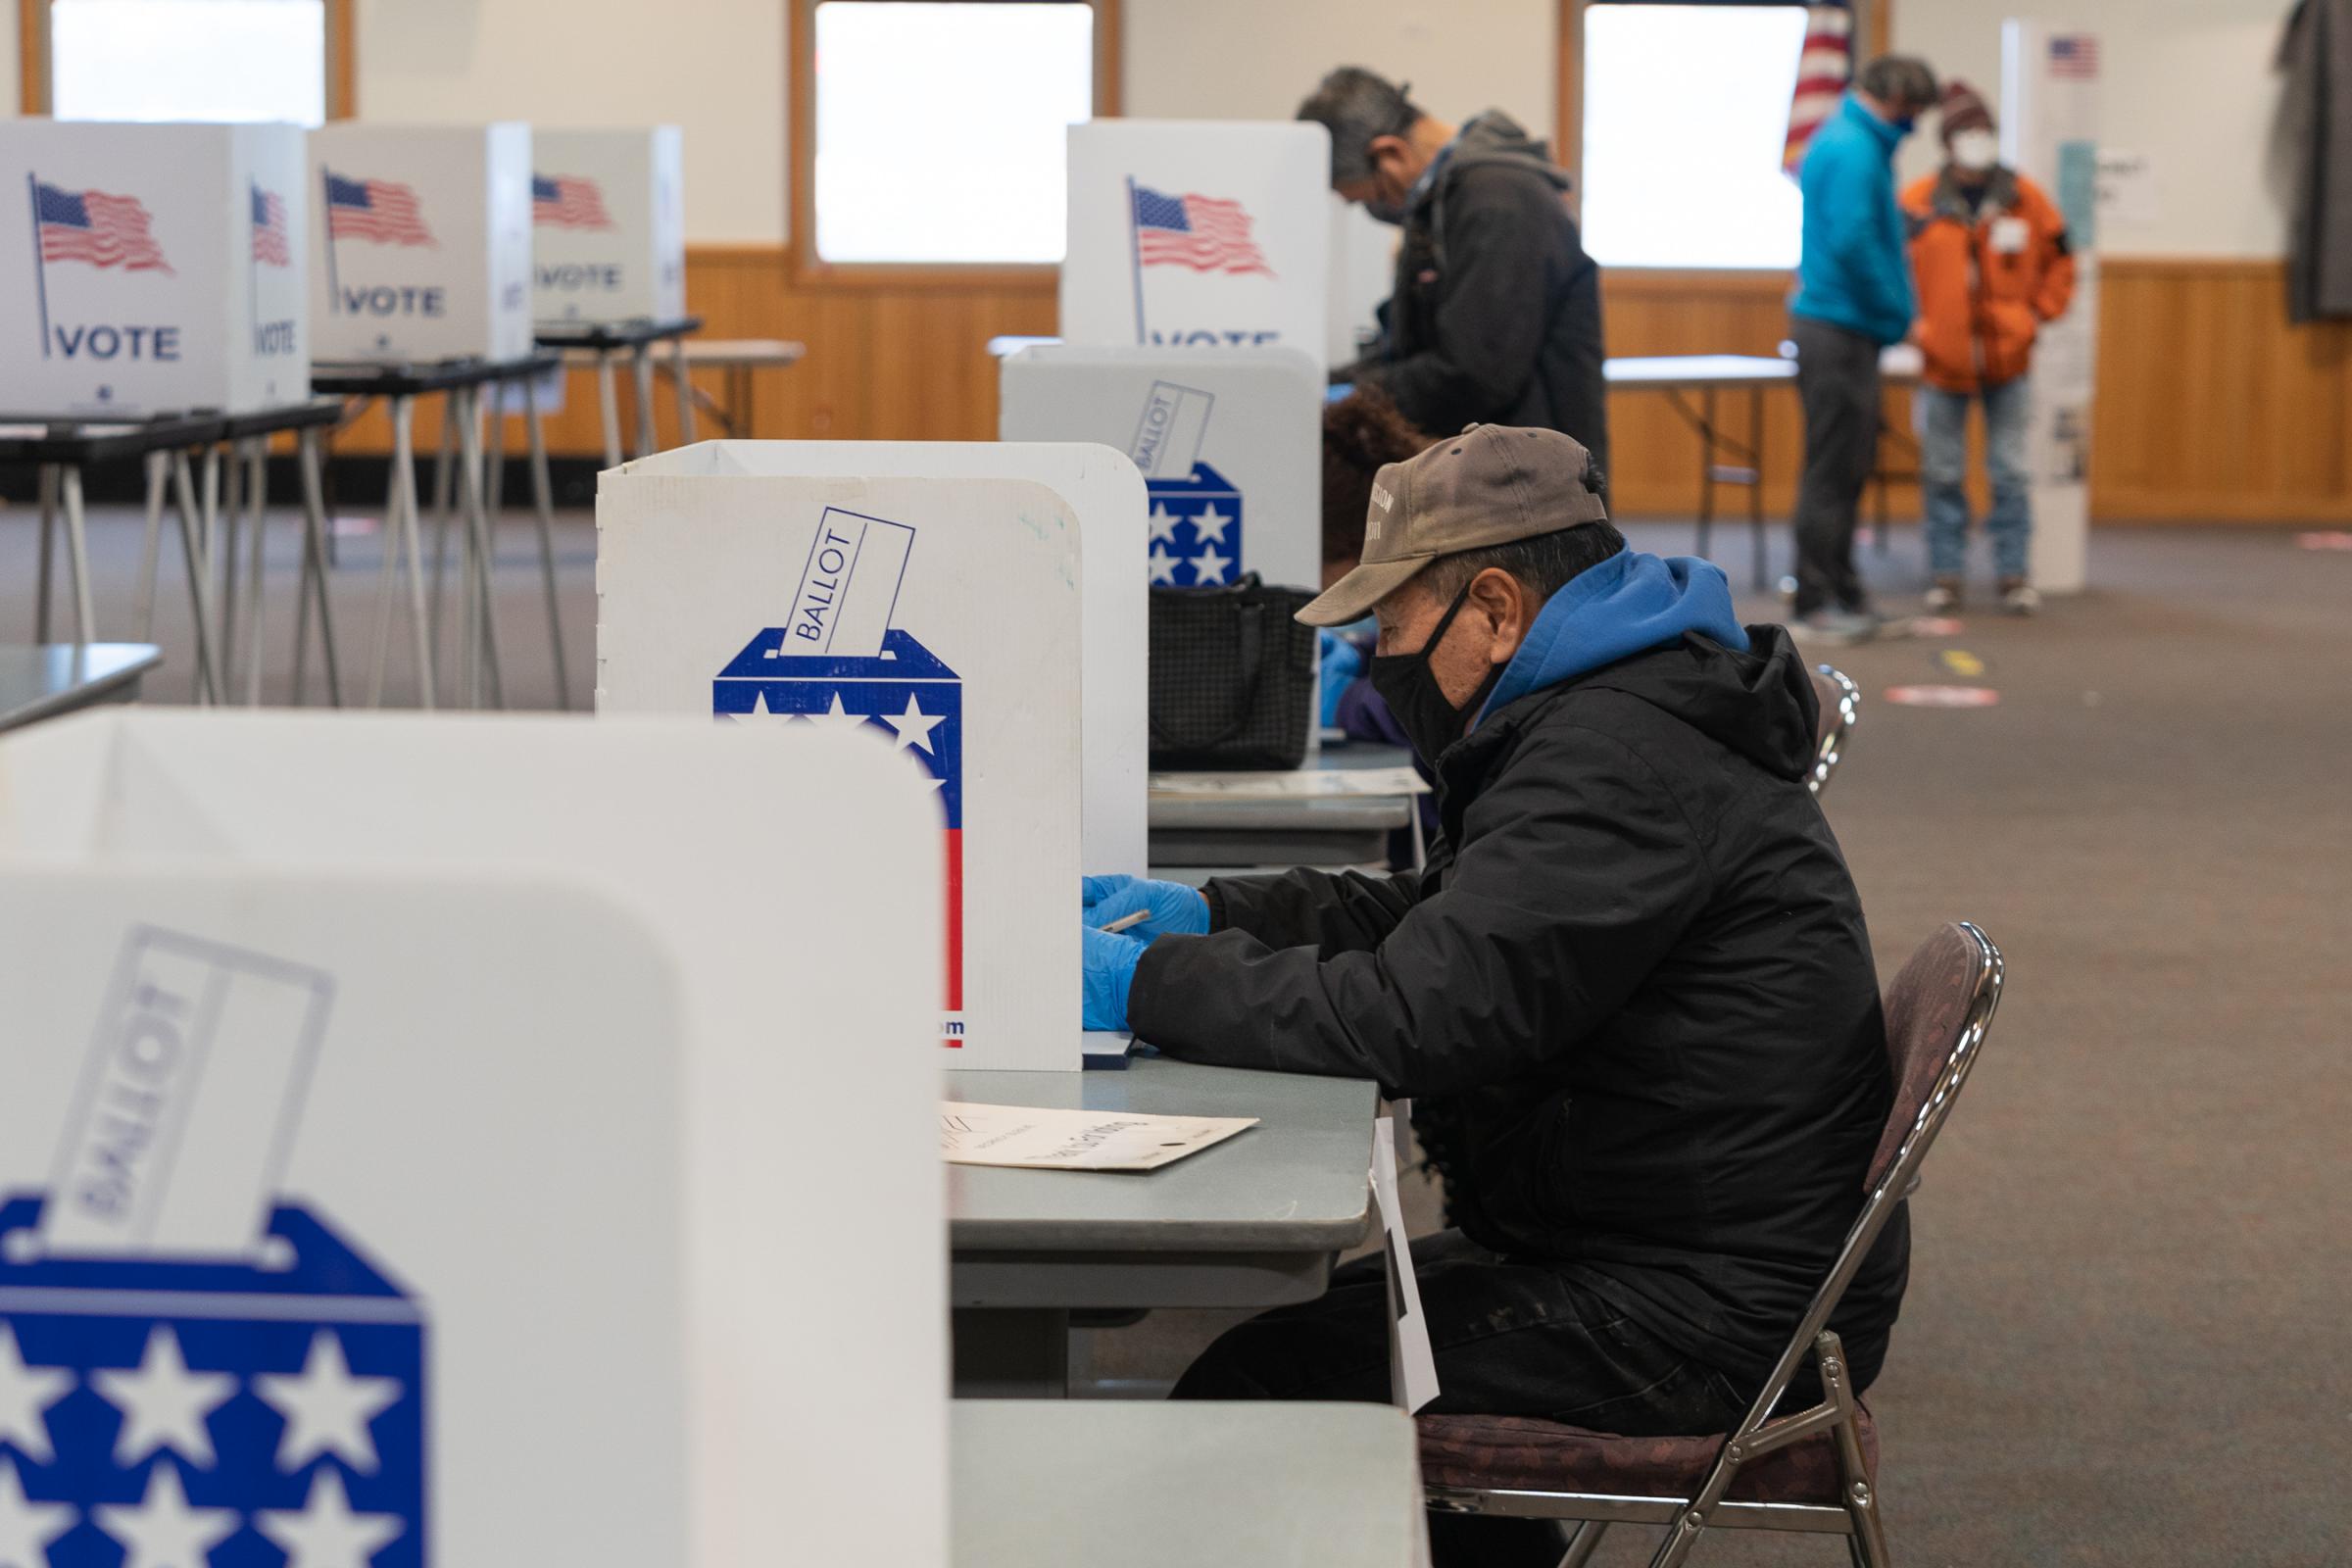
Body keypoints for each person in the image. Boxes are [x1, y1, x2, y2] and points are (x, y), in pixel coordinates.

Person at [1080, 425, 1905, 1567]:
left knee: (1268, 1388)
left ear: (1499, 609)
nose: (1378, 658)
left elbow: (1421, 1013)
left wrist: (1148, 981)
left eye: (1394, 626)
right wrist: (1210, 912)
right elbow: (1448, 921)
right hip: (1677, 1246)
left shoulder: (1614, 759)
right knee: (1312, 1357)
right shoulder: (1618, 707)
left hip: (1706, 1312)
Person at [1299, 68, 1609, 490]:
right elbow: (1414, 348)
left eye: (1370, 197)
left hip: (1536, 488)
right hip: (1496, 469)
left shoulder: (1500, 201)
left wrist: (1353, 397)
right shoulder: (1450, 200)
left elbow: (1473, 373)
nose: (1377, 210)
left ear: (1389, 153)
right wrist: (1327, 382)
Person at [1901, 81, 2076, 615]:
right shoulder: (1918, 203)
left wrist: (2034, 315)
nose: (1977, 140)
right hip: (1941, 363)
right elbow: (1892, 269)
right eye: (1966, 132)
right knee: (1943, 472)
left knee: (2011, 472)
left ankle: (2013, 574)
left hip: (2009, 362)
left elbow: (2062, 261)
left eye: (1985, 131)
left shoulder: (2027, 199)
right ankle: (1946, 574)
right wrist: (1915, 327)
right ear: (1948, 142)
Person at [1788, 54, 1940, 642]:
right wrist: (1896, 310)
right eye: (1915, 110)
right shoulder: (1855, 148)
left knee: (1847, 469)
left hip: (1843, 327)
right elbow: (1853, 242)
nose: (1916, 123)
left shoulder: (1854, 142)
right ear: (1898, 97)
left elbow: (1859, 230)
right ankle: (1815, 602)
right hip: (1840, 328)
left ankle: (1843, 593)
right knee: (1832, 472)